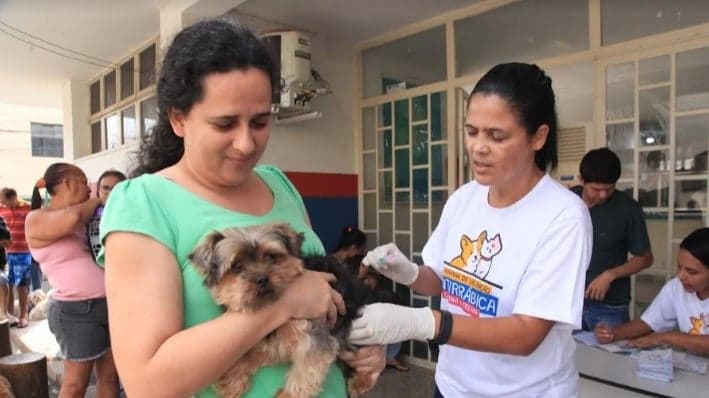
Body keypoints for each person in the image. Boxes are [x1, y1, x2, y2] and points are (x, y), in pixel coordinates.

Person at [98, 20, 384, 398]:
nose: (247, 143)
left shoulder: (278, 183)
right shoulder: (144, 202)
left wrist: (362, 344)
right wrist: (282, 303)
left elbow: (321, 289)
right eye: (225, 123)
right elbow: (146, 383)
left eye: (261, 121)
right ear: (178, 118)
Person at [347, 62, 593, 397]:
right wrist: (408, 272)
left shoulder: (563, 217)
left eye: (496, 136)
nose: (478, 147)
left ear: (538, 136)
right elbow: (445, 279)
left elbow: (525, 335)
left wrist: (422, 323)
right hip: (452, 385)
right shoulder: (466, 198)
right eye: (471, 131)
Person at [25, 163, 119, 397]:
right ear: (68, 182)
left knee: (109, 377)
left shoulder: (88, 217)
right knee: (77, 384)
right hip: (76, 311)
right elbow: (72, 218)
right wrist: (99, 199)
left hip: (109, 305)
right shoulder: (36, 218)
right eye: (84, 182)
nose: (89, 190)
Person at [570, 148, 653, 331]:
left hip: (610, 307)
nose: (603, 195)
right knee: (567, 357)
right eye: (596, 189)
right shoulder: (566, 202)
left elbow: (645, 258)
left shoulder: (627, 209)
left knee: (611, 357)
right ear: (581, 179)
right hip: (568, 303)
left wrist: (610, 275)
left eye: (609, 189)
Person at [595, 227, 709, 356]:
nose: (681, 276)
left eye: (691, 272)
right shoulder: (676, 287)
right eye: (679, 267)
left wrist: (665, 337)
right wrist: (613, 334)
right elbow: (648, 322)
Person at [0, 187, 32, 328]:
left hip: (23, 252)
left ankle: (23, 316)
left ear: (13, 198)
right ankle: (10, 315)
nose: (2, 203)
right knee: (8, 285)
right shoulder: (2, 210)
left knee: (22, 285)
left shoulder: (27, 208)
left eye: (4, 200)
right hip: (6, 254)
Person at [87, 170, 126, 260]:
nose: (110, 192)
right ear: (98, 191)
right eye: (105, 188)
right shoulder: (89, 214)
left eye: (115, 188)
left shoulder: (133, 213)